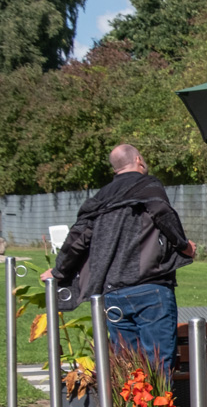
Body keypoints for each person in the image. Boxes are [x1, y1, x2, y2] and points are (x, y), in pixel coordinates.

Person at [47, 144, 196, 373]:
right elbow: (162, 212)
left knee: (128, 368)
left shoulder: (100, 197)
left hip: (112, 293)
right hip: (150, 288)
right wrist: (184, 246)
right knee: (158, 366)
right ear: (138, 160)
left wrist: (58, 272)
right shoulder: (149, 185)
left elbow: (77, 239)